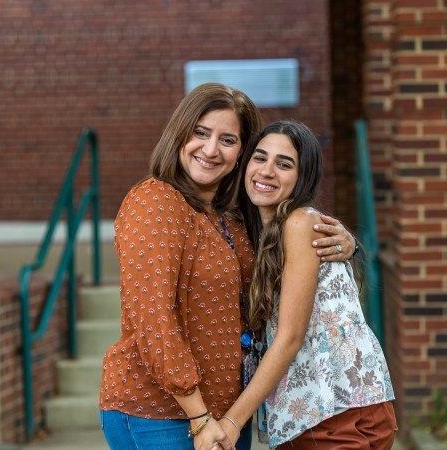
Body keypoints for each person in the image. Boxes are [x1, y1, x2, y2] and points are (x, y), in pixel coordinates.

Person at [98, 84, 356, 450]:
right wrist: (198, 416)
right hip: (163, 414)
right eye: (200, 132)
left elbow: (290, 259)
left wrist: (347, 242)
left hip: (228, 414)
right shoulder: (155, 201)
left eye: (228, 139)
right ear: (179, 134)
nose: (210, 149)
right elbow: (154, 320)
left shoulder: (231, 216)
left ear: (241, 154)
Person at [215, 120, 396, 450]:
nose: (267, 171)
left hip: (333, 411)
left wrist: (231, 421)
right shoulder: (263, 233)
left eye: (284, 164)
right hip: (311, 412)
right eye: (260, 157)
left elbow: (290, 337)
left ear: (303, 178)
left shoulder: (300, 222)